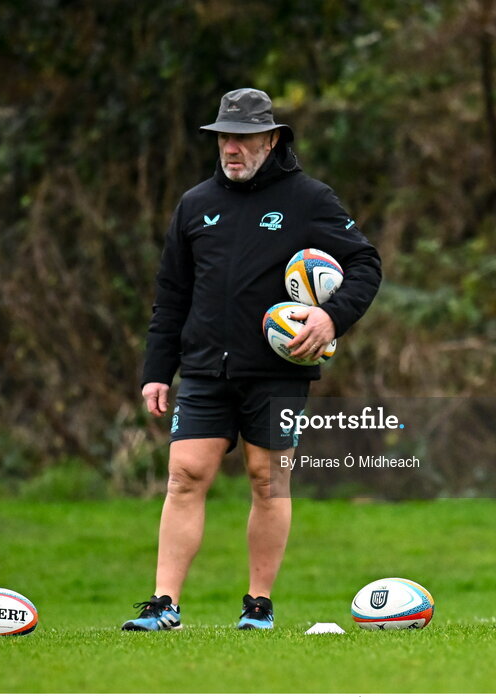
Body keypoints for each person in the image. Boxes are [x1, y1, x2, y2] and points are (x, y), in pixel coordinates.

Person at [123, 88, 381, 631]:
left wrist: (332, 318)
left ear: (270, 139)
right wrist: (155, 370)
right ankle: (163, 604)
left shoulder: (309, 199)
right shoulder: (195, 204)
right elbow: (170, 294)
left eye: (242, 139)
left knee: (268, 481)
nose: (231, 149)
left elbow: (365, 263)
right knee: (184, 476)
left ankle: (258, 605)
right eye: (223, 139)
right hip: (202, 370)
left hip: (278, 371)